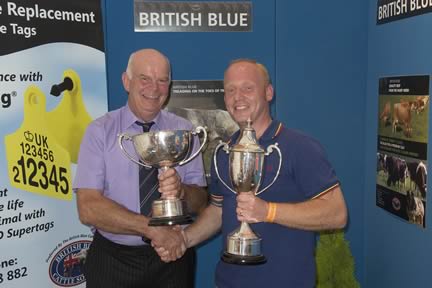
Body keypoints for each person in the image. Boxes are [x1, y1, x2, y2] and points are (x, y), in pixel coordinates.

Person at [176, 59, 348, 287]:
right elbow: (219, 211)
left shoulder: (300, 147)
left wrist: (268, 211)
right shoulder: (224, 152)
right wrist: (183, 239)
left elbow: (336, 214)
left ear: (268, 92)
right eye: (231, 90)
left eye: (248, 88)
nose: (238, 97)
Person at [73, 48, 208, 288]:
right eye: (144, 78)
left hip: (173, 258)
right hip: (113, 260)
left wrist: (181, 192)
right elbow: (88, 208)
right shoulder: (100, 132)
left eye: (162, 80)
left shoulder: (184, 131)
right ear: (126, 81)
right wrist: (153, 230)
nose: (154, 88)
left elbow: (200, 201)